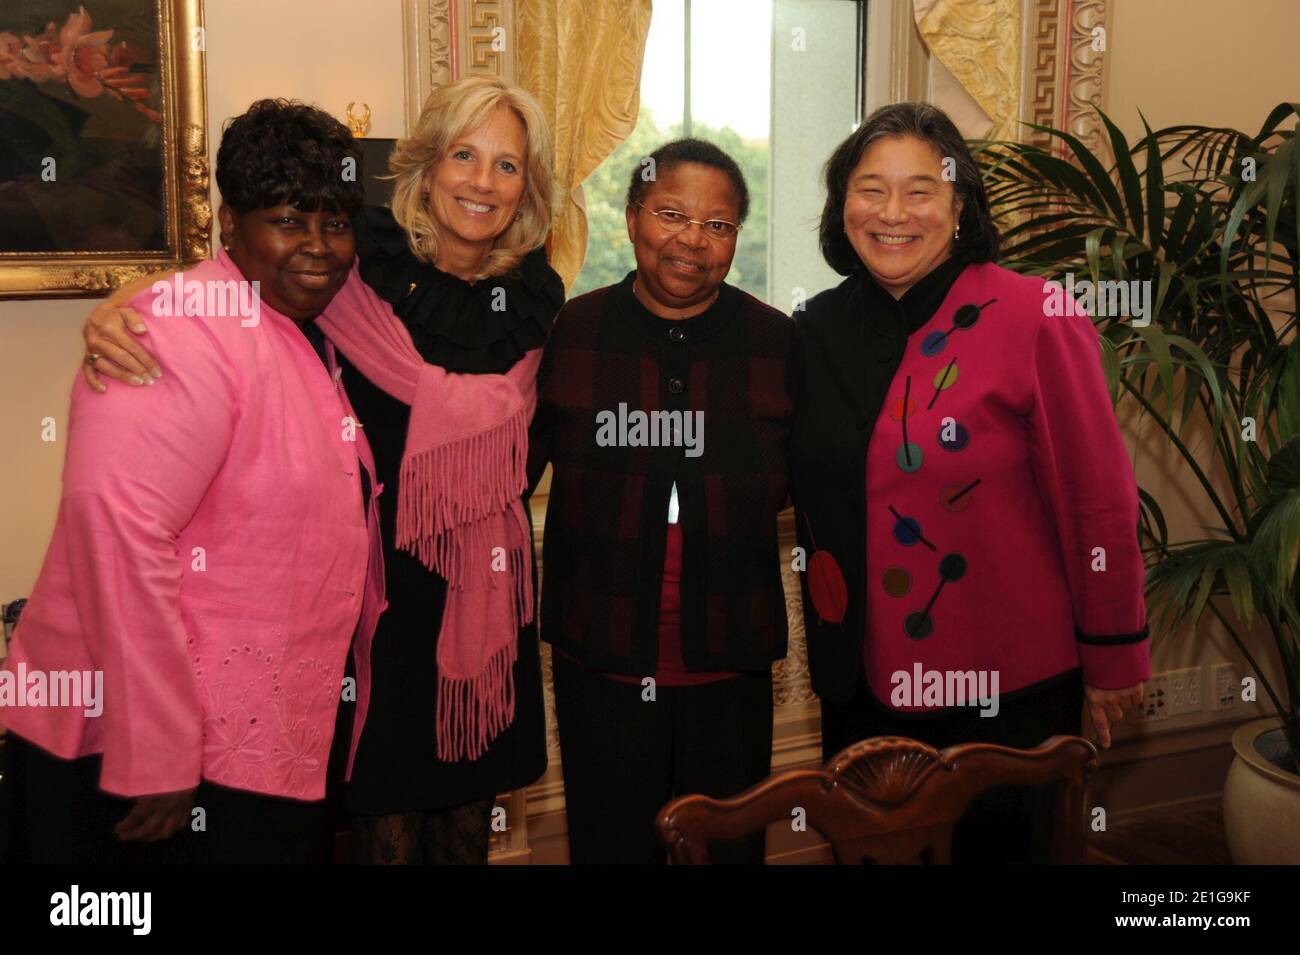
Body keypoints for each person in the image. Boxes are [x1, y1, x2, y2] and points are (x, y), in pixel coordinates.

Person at [77, 77, 563, 865]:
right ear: (426, 164)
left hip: (488, 606)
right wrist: (129, 299)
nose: (482, 181)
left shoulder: (540, 297)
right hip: (367, 610)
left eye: (508, 165)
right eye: (463, 154)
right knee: (382, 832)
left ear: (529, 185)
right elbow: (236, 282)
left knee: (468, 833)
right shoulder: (353, 260)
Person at [1, 100, 383, 864]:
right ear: (229, 221)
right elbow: (117, 534)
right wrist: (160, 749)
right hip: (146, 755)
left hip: (252, 742)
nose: (319, 247)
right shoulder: (174, 330)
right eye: (289, 219)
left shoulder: (303, 322)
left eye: (335, 223)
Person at [789, 102, 1149, 863]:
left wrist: (1115, 652)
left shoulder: (1036, 314)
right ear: (842, 205)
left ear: (960, 206)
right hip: (859, 684)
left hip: (1005, 690)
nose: (893, 212)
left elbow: (1098, 500)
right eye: (870, 188)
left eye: (921, 189)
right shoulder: (813, 327)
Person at [528, 139, 797, 864]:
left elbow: (811, 480)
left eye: (718, 225)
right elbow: (507, 472)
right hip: (601, 652)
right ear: (632, 215)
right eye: (672, 214)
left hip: (730, 658)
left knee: (727, 849)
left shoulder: (776, 343)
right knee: (612, 844)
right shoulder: (573, 332)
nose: (693, 240)